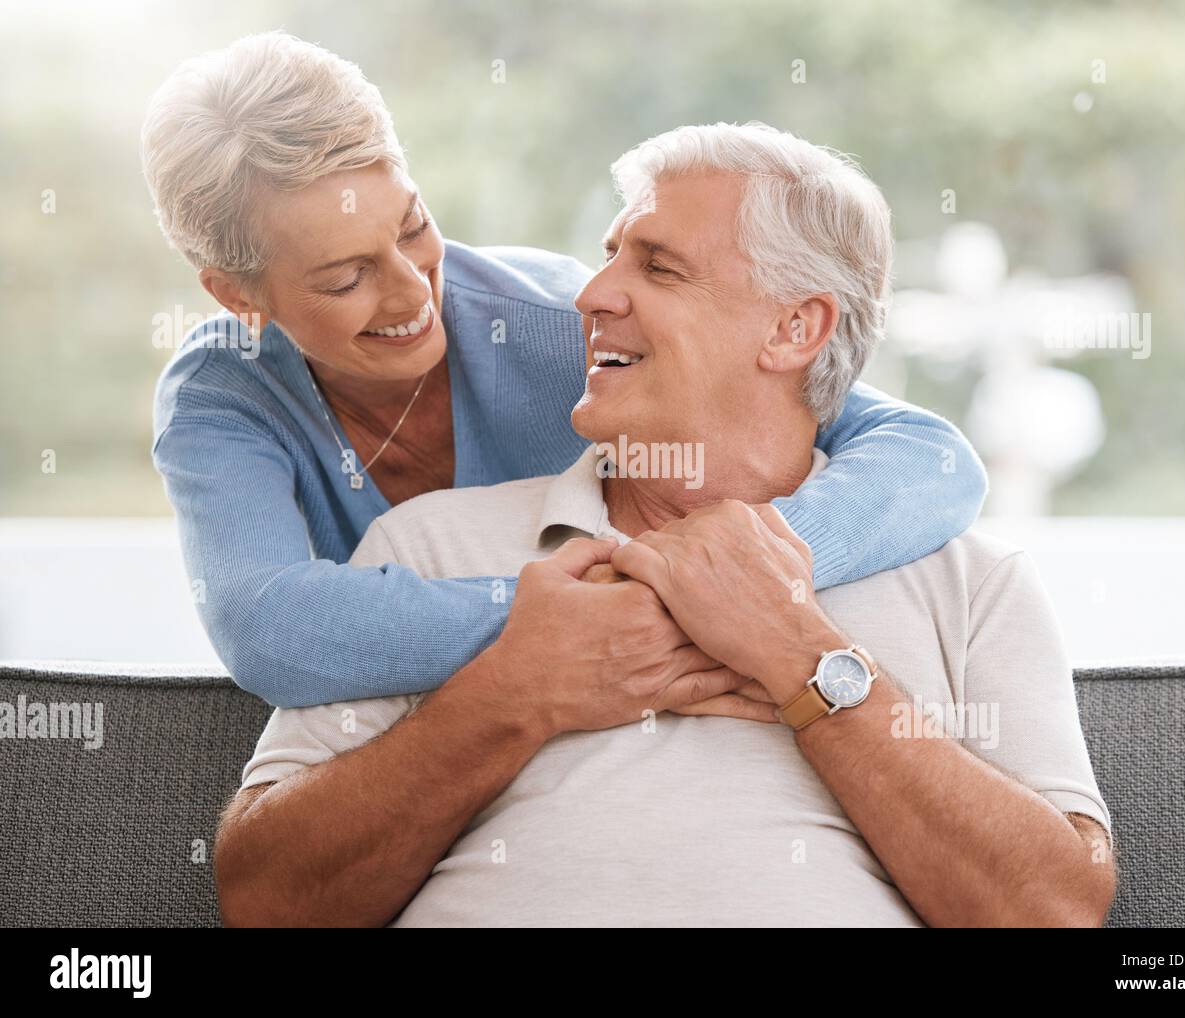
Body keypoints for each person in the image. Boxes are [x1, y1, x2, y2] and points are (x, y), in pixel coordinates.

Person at [214, 123, 1115, 927]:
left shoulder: (971, 583)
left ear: (794, 328)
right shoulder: (425, 547)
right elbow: (266, 901)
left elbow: (1052, 913)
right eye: (609, 256)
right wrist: (512, 695)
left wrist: (803, 662)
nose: (592, 294)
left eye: (658, 266)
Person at [142, 32, 987, 709]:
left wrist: (739, 581)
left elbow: (927, 456)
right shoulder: (225, 395)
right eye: (344, 277)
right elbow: (271, 632)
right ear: (237, 294)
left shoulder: (561, 326)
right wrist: (579, 624)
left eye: (411, 228)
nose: (411, 290)